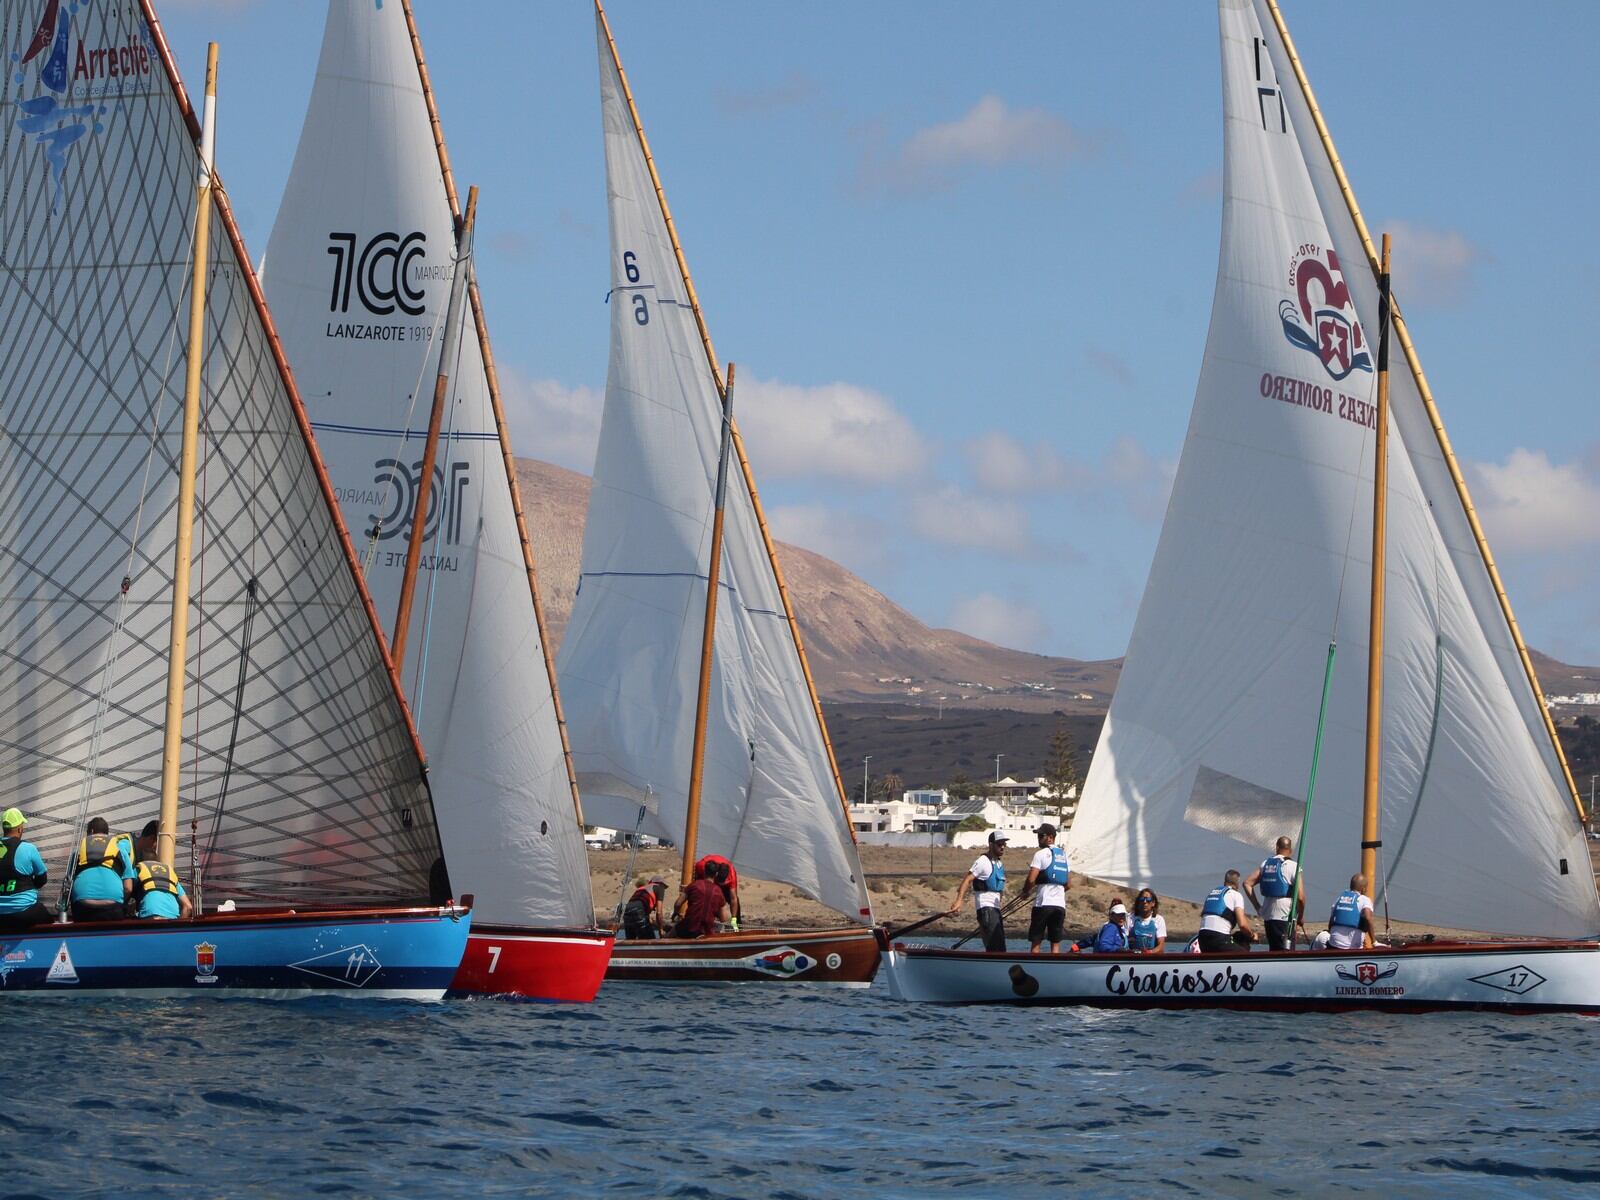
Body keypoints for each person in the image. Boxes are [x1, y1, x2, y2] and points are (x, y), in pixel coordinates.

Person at [948, 832, 1009, 952]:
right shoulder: (983, 861)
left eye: (1004, 844)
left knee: (1000, 947)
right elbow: (967, 880)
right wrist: (958, 901)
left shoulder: (999, 863)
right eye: (999, 844)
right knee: (996, 947)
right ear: (991, 845)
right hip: (986, 909)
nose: (1002, 847)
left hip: (995, 909)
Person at [1244, 836, 1307, 951]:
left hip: (1269, 917)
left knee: (1274, 950)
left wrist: (1258, 907)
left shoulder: (1265, 864)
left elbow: (1247, 883)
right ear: (1290, 850)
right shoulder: (1293, 866)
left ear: (1277, 848)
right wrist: (1300, 918)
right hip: (1285, 917)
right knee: (1286, 953)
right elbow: (1301, 898)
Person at [67, 817, 135, 922]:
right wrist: (119, 901)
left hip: (83, 907)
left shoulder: (78, 851)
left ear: (91, 832)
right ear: (107, 833)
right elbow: (128, 888)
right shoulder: (120, 849)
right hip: (113, 908)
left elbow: (68, 883)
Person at [1020, 823, 1070, 954]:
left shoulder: (1040, 854)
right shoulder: (1064, 856)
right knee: (1055, 944)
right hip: (1060, 906)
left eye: (1041, 836)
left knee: (1036, 942)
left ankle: (1034, 969)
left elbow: (1031, 880)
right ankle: (1055, 969)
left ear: (1050, 837)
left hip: (1043, 905)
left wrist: (1025, 892)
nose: (1038, 838)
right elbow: (1068, 884)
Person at [0, 809, 51, 932]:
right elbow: (42, 879)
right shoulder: (28, 848)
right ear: (19, 829)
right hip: (24, 911)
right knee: (49, 922)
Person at [1197, 869, 1254, 952]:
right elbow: (1242, 925)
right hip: (1219, 938)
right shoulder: (1236, 895)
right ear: (1237, 884)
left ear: (1225, 882)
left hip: (1202, 939)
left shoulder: (1212, 893)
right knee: (1244, 947)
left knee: (1237, 936)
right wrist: (1252, 936)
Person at [672, 861, 729, 938]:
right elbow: (724, 918)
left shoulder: (694, 885)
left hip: (688, 927)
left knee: (669, 935)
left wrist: (675, 913)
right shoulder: (719, 891)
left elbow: (678, 904)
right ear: (716, 874)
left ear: (704, 871)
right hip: (706, 931)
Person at [1326, 873, 1376, 950]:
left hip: (1333, 946)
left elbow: (1331, 922)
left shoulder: (1339, 898)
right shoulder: (1364, 899)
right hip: (1352, 949)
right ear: (1363, 889)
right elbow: (1368, 917)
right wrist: (1374, 941)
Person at [694, 853, 740, 930]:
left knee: (735, 901)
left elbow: (733, 899)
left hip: (719, 881)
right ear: (715, 874)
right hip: (706, 880)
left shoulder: (731, 874)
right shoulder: (702, 866)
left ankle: (736, 927)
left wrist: (734, 919)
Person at [1128, 889, 1168, 953]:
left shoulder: (1159, 919)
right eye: (1142, 899)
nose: (1145, 902)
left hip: (1151, 956)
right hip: (1133, 956)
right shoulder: (1130, 917)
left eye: (1148, 900)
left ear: (1153, 903)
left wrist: (1150, 952)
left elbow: (1161, 945)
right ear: (1138, 902)